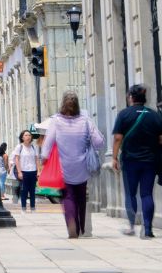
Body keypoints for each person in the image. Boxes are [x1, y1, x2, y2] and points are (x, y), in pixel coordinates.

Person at [42, 91, 106, 239]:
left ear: (63, 103)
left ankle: (72, 225)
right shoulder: (85, 120)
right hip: (82, 166)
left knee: (68, 196)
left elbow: (48, 144)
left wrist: (43, 159)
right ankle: (81, 226)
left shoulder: (56, 121)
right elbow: (99, 142)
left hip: (64, 167)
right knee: (81, 196)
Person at [112, 83, 162, 238]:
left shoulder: (124, 114)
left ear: (131, 97)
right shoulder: (154, 115)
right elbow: (160, 139)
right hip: (150, 161)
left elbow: (118, 138)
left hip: (130, 161)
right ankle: (147, 229)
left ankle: (132, 226)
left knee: (131, 194)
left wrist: (114, 158)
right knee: (147, 194)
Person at [11, 129, 41, 212]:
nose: (28, 137)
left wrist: (38, 171)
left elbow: (37, 159)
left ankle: (33, 207)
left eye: (29, 135)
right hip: (23, 171)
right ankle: (23, 208)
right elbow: (16, 160)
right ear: (22, 137)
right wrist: (19, 172)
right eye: (26, 135)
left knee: (32, 191)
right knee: (24, 190)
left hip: (33, 171)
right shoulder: (19, 147)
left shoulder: (34, 147)